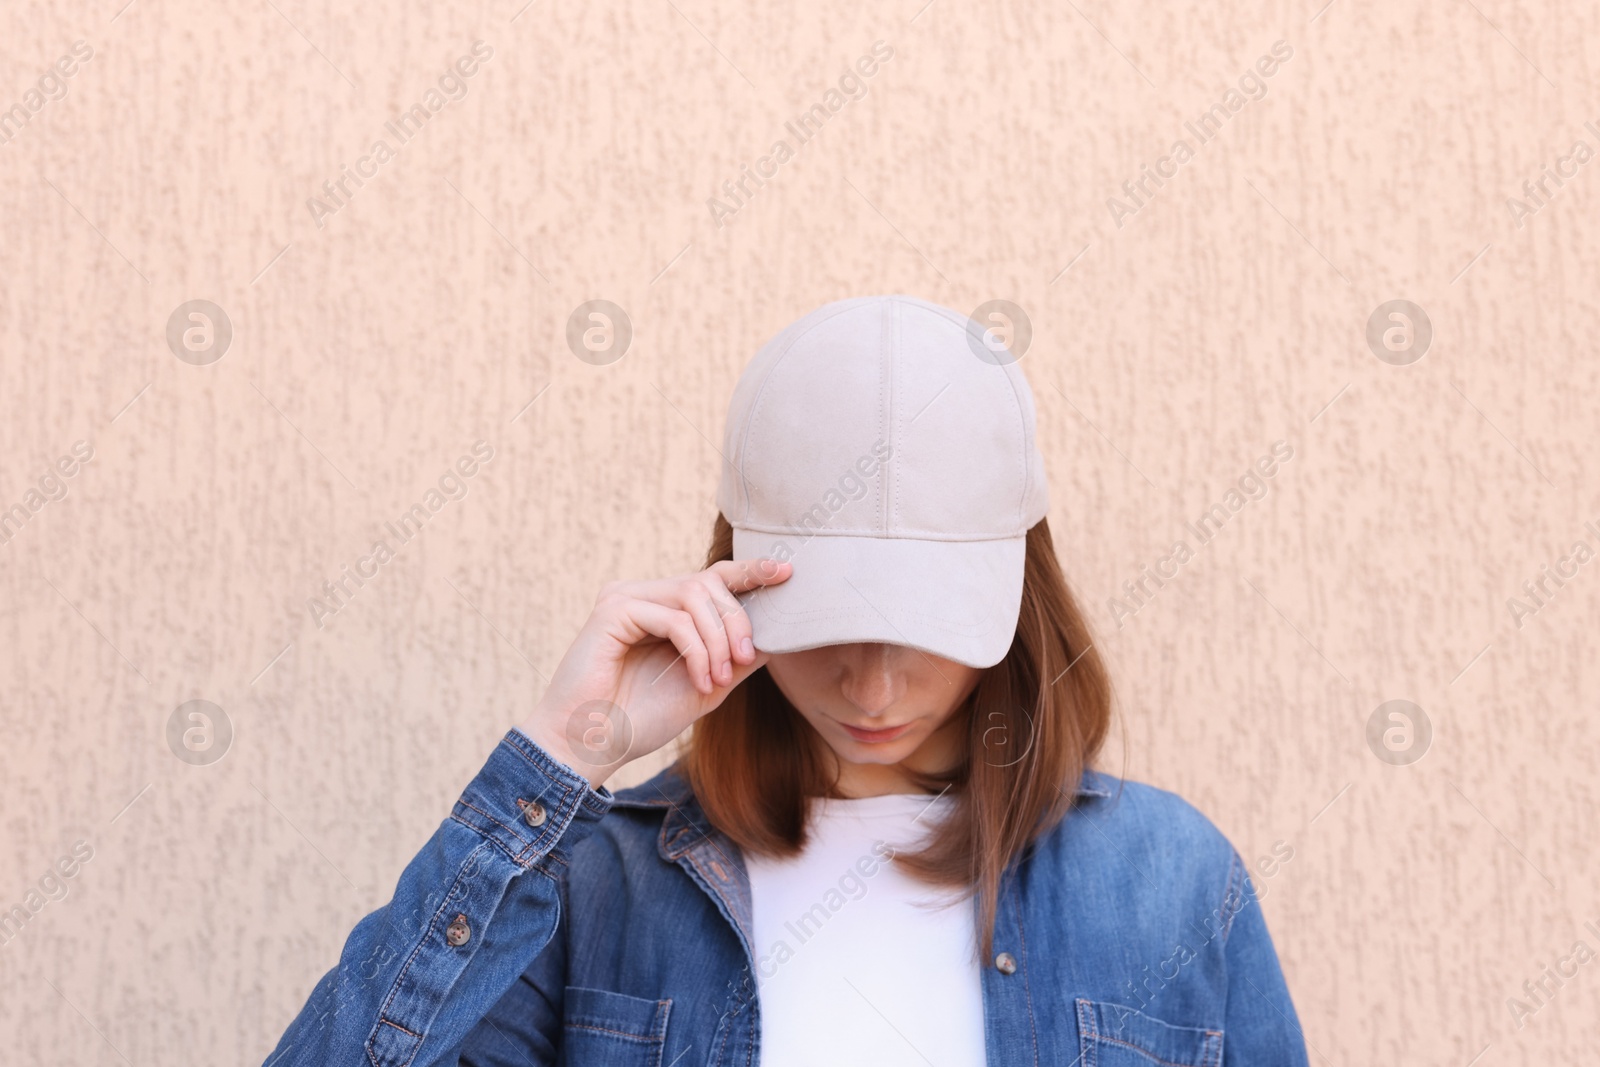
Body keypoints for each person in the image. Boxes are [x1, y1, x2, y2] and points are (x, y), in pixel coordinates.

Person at [262, 294, 1310, 1066]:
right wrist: (562, 750)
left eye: (922, 629)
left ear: (1016, 599)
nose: (873, 684)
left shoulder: (1172, 880)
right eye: (827, 626)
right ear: (735, 583)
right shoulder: (603, 889)